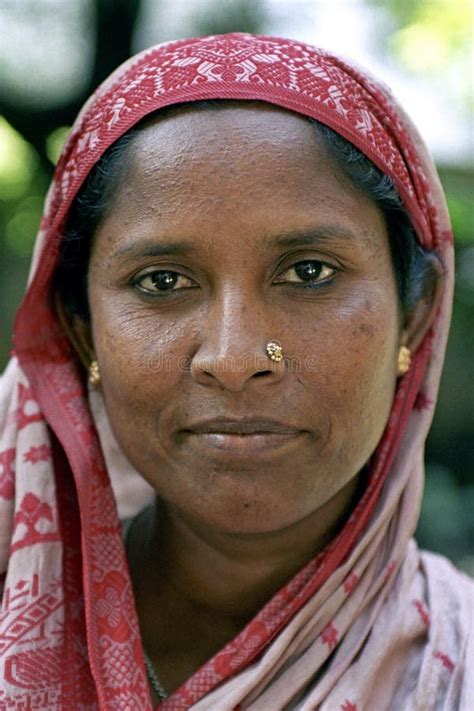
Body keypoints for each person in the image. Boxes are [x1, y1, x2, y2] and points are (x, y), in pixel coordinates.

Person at [0, 33, 472, 710]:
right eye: (163, 280)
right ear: (83, 329)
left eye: (309, 272)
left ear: (415, 314)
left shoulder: (454, 671)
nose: (236, 358)